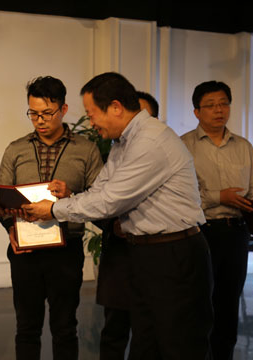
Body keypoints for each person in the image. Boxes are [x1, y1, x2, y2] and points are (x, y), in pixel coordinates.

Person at [22, 72, 213, 360]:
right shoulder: (123, 143)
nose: (91, 122)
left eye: (91, 114)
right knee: (145, 345)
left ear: (115, 107)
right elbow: (101, 190)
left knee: (179, 346)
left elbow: (110, 201)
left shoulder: (150, 141)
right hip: (146, 255)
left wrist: (52, 209)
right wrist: (68, 199)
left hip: (174, 255)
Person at [0, 76, 103, 359]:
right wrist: (8, 225)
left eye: (47, 113)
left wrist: (70, 194)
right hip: (25, 250)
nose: (39, 120)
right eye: (33, 113)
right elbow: (2, 196)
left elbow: (100, 199)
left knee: (65, 327)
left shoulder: (86, 149)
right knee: (27, 328)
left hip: (66, 250)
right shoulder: (16, 149)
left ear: (63, 109)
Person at [181, 81, 253, 360]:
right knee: (199, 304)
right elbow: (181, 195)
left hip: (236, 233)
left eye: (224, 104)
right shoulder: (183, 146)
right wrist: (220, 196)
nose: (219, 110)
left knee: (229, 305)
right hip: (200, 233)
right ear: (197, 112)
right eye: (210, 105)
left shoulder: (244, 146)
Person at [97, 91, 158, 359]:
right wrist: (112, 225)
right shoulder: (114, 154)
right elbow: (97, 200)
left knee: (149, 336)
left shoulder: (163, 153)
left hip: (155, 257)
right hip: (120, 258)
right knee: (114, 332)